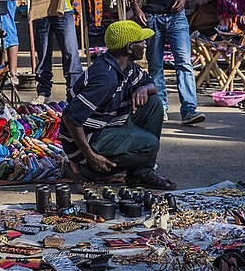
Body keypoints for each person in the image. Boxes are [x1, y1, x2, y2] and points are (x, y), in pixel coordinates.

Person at [60, 21, 176, 190]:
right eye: (141, 42)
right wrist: (89, 155)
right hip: (91, 135)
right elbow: (70, 118)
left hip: (111, 123)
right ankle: (85, 169)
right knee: (149, 145)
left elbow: (153, 86)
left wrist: (144, 88)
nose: (144, 45)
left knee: (153, 103)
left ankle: (141, 174)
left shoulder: (128, 67)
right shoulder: (105, 79)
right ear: (129, 48)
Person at [30, 0, 83, 105]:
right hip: (42, 10)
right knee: (43, 53)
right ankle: (43, 92)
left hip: (63, 9)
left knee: (70, 52)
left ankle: (73, 92)